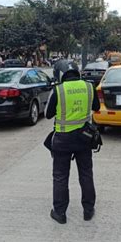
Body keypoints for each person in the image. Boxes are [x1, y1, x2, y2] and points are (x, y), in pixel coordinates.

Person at [45, 67, 100, 224]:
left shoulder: (58, 89)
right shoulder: (89, 86)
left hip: (62, 140)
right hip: (84, 138)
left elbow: (48, 114)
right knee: (86, 174)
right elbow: (97, 107)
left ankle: (60, 213)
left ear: (61, 75)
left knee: (60, 176)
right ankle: (88, 211)